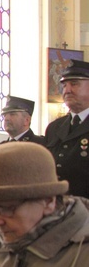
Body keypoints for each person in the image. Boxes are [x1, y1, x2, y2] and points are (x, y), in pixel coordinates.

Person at [45, 60, 89, 198]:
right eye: (64, 85)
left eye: (74, 84)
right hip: (56, 209)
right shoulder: (54, 127)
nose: (67, 90)